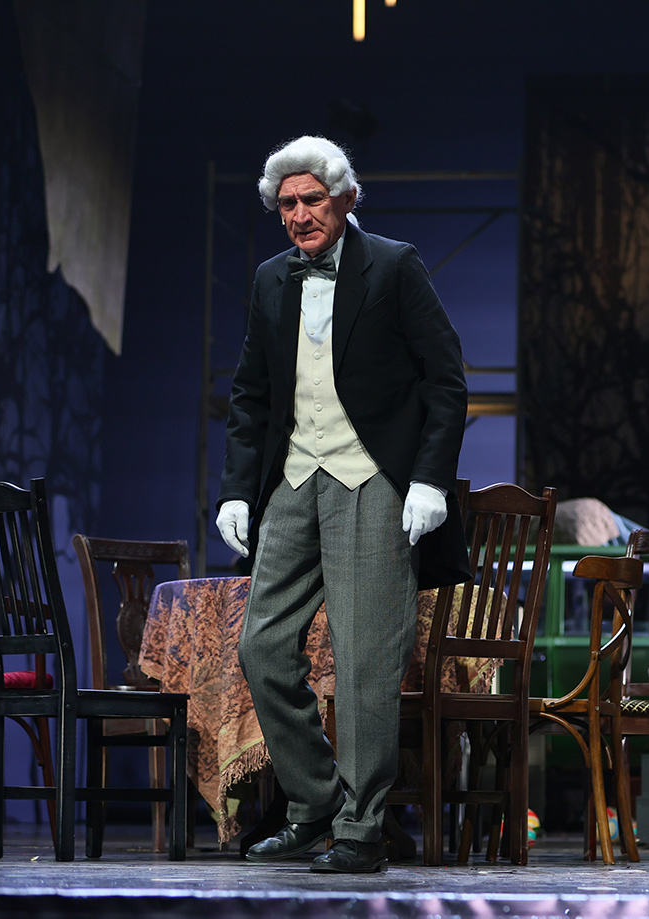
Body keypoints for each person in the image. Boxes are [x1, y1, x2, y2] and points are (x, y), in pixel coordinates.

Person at [215, 136, 469, 873]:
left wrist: (428, 479)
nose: (299, 214)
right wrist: (236, 490)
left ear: (346, 198)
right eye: (286, 204)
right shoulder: (270, 279)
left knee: (364, 661)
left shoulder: (393, 265)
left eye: (312, 199)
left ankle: (362, 829)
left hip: (370, 478)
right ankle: (317, 800)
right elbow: (250, 394)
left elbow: (446, 379)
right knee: (262, 646)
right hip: (295, 477)